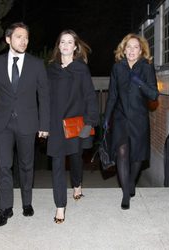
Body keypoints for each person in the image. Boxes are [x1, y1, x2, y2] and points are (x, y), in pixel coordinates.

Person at [0, 22, 50, 227]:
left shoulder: (36, 64)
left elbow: (44, 97)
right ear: (8, 39)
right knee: (3, 166)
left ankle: (27, 202)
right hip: (2, 123)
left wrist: (44, 125)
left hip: (28, 123)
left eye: (26, 37)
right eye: (19, 37)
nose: (24, 41)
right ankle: (5, 208)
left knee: (27, 165)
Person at [47, 29, 98, 223]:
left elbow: (89, 96)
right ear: (58, 46)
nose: (66, 45)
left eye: (70, 42)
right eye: (62, 42)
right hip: (55, 125)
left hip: (75, 124)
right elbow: (44, 98)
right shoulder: (50, 70)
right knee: (57, 165)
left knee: (76, 159)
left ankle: (77, 184)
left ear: (75, 46)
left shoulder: (80, 69)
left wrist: (90, 121)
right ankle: (60, 207)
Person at [104, 33, 159, 210]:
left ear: (141, 50)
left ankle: (131, 182)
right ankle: (126, 193)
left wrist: (138, 81)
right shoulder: (117, 68)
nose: (132, 50)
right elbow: (112, 96)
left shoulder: (146, 67)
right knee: (122, 152)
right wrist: (106, 119)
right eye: (129, 47)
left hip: (139, 118)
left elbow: (153, 95)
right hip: (120, 117)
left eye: (136, 47)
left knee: (137, 157)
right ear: (123, 49)